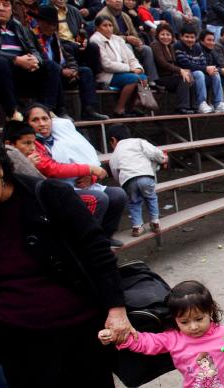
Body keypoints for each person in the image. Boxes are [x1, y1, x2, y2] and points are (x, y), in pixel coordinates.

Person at [0, 136, 144, 388]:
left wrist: (116, 309)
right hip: (16, 332)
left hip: (77, 324)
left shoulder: (47, 196)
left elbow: (97, 250)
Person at [26, 104, 128, 245]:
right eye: (35, 120)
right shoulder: (30, 143)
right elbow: (51, 168)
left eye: (45, 118)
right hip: (56, 191)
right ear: (27, 123)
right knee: (99, 199)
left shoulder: (63, 137)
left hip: (77, 186)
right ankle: (87, 242)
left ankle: (104, 237)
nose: (42, 124)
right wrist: (89, 169)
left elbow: (83, 158)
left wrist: (91, 178)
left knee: (118, 195)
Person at [0, 0, 63, 122]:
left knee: (52, 66)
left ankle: (45, 111)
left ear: (11, 9)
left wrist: (35, 60)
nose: (1, 8)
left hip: (22, 70)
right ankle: (12, 112)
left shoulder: (19, 27)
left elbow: (35, 49)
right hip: (1, 69)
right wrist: (15, 59)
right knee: (0, 62)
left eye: (5, 5)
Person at [106, 124, 165, 237]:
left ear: (113, 140)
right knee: (151, 198)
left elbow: (114, 168)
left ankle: (137, 227)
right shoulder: (139, 142)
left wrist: (120, 181)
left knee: (134, 202)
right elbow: (154, 153)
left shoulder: (116, 152)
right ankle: (155, 222)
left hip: (128, 180)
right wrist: (162, 159)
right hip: (146, 176)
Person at [90, 15, 146, 117]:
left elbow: (131, 57)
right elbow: (106, 64)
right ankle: (119, 109)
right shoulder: (95, 40)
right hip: (107, 74)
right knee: (132, 78)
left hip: (125, 71)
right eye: (105, 26)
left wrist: (138, 68)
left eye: (110, 25)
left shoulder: (117, 39)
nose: (108, 28)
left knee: (143, 77)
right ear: (98, 28)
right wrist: (130, 69)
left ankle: (132, 107)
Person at [175, 26, 224, 113]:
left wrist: (209, 69)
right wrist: (205, 68)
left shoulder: (197, 47)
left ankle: (218, 103)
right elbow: (185, 64)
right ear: (181, 37)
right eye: (187, 37)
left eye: (192, 37)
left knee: (215, 73)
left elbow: (203, 63)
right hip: (185, 75)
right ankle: (201, 103)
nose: (189, 39)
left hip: (198, 74)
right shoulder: (178, 45)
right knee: (199, 73)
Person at [151, 22, 194, 114]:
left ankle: (193, 106)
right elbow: (162, 63)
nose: (165, 37)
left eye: (168, 34)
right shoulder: (155, 45)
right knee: (182, 80)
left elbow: (174, 64)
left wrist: (184, 70)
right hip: (160, 78)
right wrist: (180, 70)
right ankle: (182, 107)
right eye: (162, 34)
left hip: (171, 77)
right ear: (158, 35)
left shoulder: (170, 47)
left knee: (190, 76)